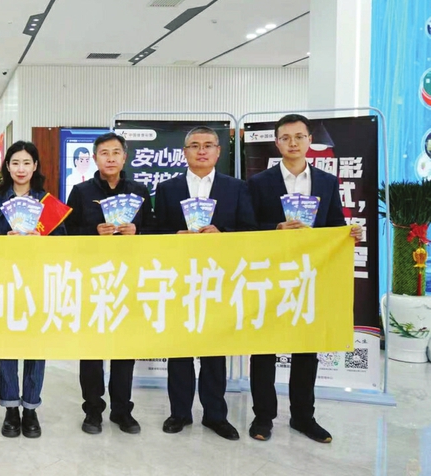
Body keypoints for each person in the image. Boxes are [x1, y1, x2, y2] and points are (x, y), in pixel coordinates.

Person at [246, 114, 363, 443]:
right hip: (270, 276)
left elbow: (334, 224)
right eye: (286, 138)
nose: (293, 143)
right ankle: (263, 417)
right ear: (277, 143)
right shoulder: (259, 182)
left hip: (311, 276)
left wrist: (348, 233)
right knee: (264, 349)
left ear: (310, 140)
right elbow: (246, 228)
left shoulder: (326, 182)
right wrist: (275, 228)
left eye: (299, 136)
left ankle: (303, 417)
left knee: (307, 349)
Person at [153, 126, 257, 441]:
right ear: (184, 152)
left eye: (208, 145)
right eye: (194, 145)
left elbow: (250, 231)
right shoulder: (167, 188)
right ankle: (179, 413)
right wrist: (175, 235)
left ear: (218, 151)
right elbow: (154, 233)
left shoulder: (236, 188)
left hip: (219, 278)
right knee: (179, 349)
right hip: (179, 278)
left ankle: (215, 415)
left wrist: (222, 234)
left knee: (214, 349)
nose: (201, 151)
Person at [66, 132, 153, 435]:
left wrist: (137, 231)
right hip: (92, 280)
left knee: (124, 348)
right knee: (91, 349)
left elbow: (156, 231)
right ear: (95, 158)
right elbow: (66, 234)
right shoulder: (80, 192)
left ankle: (122, 410)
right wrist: (93, 231)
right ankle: (93, 410)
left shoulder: (139, 191)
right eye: (104, 153)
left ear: (125, 157)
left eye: (116, 152)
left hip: (129, 278)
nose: (111, 158)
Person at [0, 140, 67, 439]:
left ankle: (30, 408)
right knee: (6, 346)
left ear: (35, 166)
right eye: (15, 162)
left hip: (38, 283)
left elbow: (63, 244)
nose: (21, 168)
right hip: (5, 283)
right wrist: (3, 242)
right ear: (7, 167)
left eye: (26, 163)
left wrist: (42, 242)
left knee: (35, 346)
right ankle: (10, 409)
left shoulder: (48, 203)